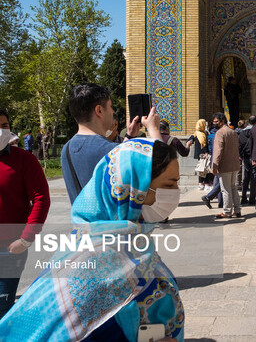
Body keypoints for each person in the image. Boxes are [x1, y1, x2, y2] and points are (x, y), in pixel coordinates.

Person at [0, 138, 183, 341]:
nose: (176, 193)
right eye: (169, 184)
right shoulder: (91, 258)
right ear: (135, 189)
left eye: (177, 183)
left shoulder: (136, 242)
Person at [61, 83, 159, 204]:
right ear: (99, 110)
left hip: (82, 222)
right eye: (110, 106)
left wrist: (129, 136)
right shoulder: (111, 150)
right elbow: (163, 165)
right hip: (114, 223)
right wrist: (154, 129)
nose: (113, 111)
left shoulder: (67, 149)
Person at [0, 108, 50, 319]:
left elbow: (41, 198)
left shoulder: (24, 160)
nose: (1, 131)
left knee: (3, 309)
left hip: (9, 250)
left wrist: (27, 239)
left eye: (4, 126)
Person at [210, 113, 241, 219]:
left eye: (216, 122)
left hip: (224, 166)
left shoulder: (220, 133)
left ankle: (227, 211)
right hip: (234, 165)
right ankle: (237, 210)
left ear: (222, 121)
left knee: (225, 189)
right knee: (233, 188)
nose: (214, 124)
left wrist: (214, 165)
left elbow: (218, 151)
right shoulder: (233, 132)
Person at [239, 115, 256, 205]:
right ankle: (252, 199)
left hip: (245, 157)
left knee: (245, 178)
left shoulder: (242, 133)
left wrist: (241, 156)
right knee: (253, 178)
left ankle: (243, 197)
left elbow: (239, 146)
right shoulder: (255, 132)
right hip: (254, 157)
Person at [193, 118, 211, 191]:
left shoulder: (195, 133)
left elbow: (190, 140)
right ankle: (206, 184)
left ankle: (201, 184)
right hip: (203, 154)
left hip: (199, 154)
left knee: (202, 169)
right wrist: (206, 152)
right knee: (204, 169)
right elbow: (205, 145)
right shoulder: (203, 134)